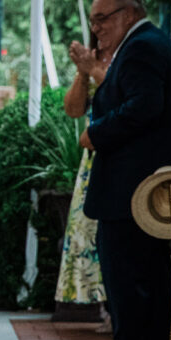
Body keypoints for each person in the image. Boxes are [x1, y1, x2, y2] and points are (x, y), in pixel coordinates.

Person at [80, 0, 171, 340]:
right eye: (94, 20)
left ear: (129, 13)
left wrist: (96, 132)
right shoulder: (157, 44)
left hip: (131, 190)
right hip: (145, 187)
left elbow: (144, 106)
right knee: (154, 278)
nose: (96, 28)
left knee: (128, 278)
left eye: (103, 18)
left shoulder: (141, 48)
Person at [54, 36, 110, 321]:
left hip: (118, 159)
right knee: (87, 235)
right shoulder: (92, 65)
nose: (98, 29)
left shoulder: (128, 61)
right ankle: (99, 303)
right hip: (92, 164)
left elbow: (122, 94)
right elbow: (73, 109)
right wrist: (82, 72)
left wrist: (96, 71)